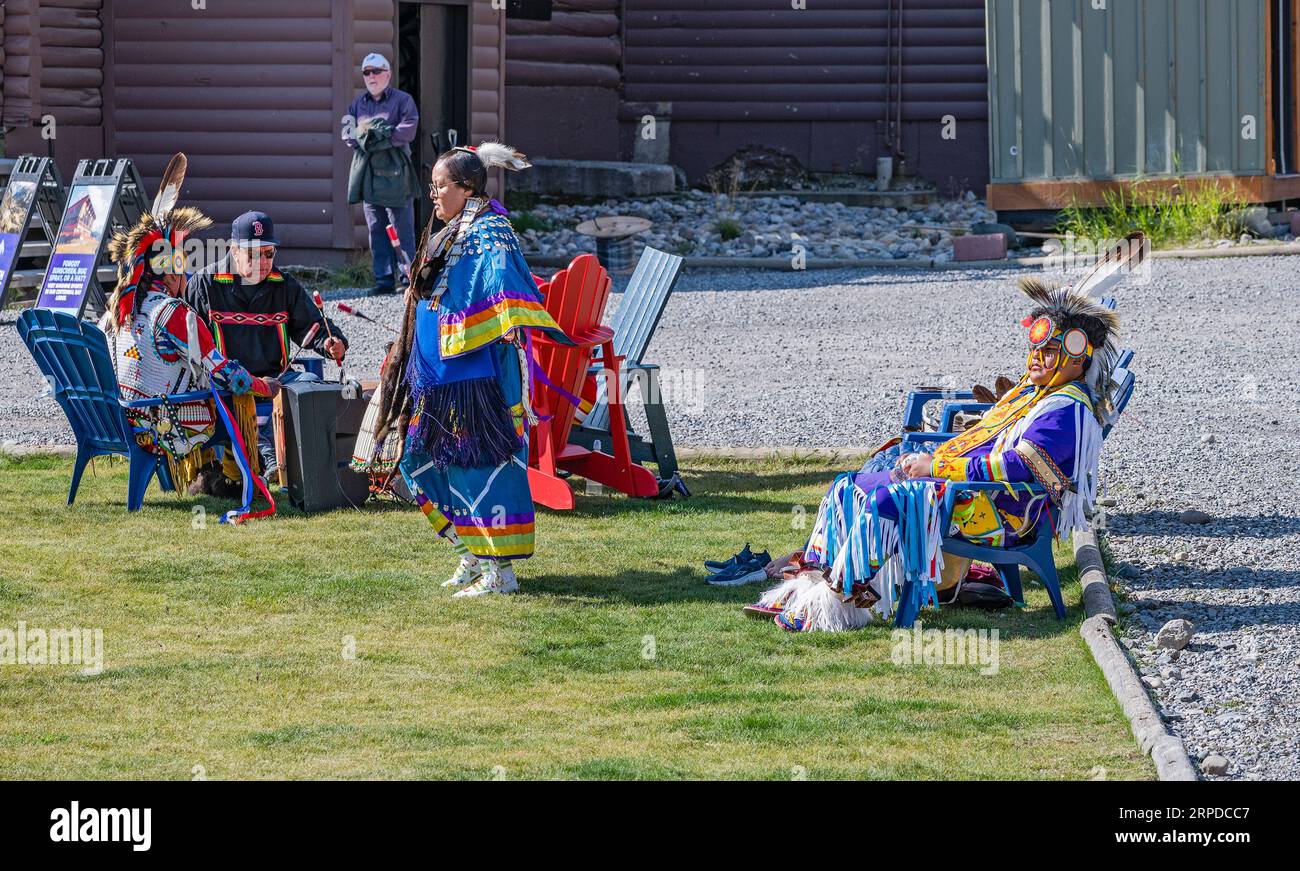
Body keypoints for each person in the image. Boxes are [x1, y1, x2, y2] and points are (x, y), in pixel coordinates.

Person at [752, 277, 1120, 631]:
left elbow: (1017, 465)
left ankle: (835, 603)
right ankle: (810, 587)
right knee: (847, 487)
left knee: (885, 502)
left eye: (1049, 351)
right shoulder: (1035, 394)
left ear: (1078, 360)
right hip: (976, 495)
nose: (1036, 358)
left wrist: (937, 464)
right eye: (1035, 348)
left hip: (1001, 514)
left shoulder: (1065, 408)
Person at [359, 141, 568, 598]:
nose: (433, 195)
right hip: (435, 377)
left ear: (467, 188)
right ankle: (471, 555)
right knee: (417, 461)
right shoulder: (451, 231)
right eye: (432, 186)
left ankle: (501, 573)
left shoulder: (493, 231)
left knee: (480, 465)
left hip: (477, 380)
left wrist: (507, 316)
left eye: (440, 186)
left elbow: (504, 281)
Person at [100, 197, 277, 501]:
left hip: (125, 419)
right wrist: (264, 385)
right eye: (182, 269)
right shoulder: (172, 313)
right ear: (170, 274)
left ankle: (208, 472)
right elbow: (225, 373)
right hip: (164, 425)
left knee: (203, 386)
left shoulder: (118, 311)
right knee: (235, 397)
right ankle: (235, 480)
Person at [186, 210, 347, 479]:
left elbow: (313, 326)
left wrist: (332, 342)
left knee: (310, 382)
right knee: (234, 393)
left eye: (269, 254)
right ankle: (267, 455)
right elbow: (190, 345)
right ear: (234, 251)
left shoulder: (284, 286)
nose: (262, 261)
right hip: (228, 381)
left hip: (277, 379)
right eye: (253, 254)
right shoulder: (205, 284)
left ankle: (312, 466)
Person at [343, 52, 420, 296]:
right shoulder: (356, 104)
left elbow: (407, 131)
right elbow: (347, 135)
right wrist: (381, 135)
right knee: (376, 228)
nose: (371, 76)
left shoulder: (403, 100)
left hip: (397, 175)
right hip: (369, 176)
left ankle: (409, 278)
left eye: (376, 71)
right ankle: (384, 280)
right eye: (366, 72)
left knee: (401, 228)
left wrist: (371, 137)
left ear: (388, 74)